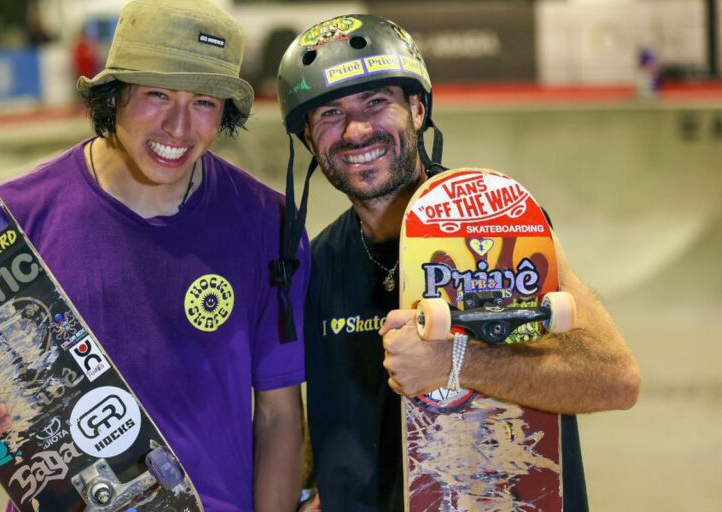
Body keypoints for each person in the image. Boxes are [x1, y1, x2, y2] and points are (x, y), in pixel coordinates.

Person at [0, 1, 308, 510]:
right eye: (157, 94)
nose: (178, 127)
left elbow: (279, 416)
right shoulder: (16, 219)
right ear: (114, 96)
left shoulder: (269, 223)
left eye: (203, 102)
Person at [273, 15, 641, 511]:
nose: (356, 130)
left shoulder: (500, 224)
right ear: (309, 141)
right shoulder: (316, 263)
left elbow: (613, 380)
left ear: (418, 109)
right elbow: (328, 406)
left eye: (376, 102)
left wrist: (456, 363)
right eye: (330, 114)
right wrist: (312, 490)